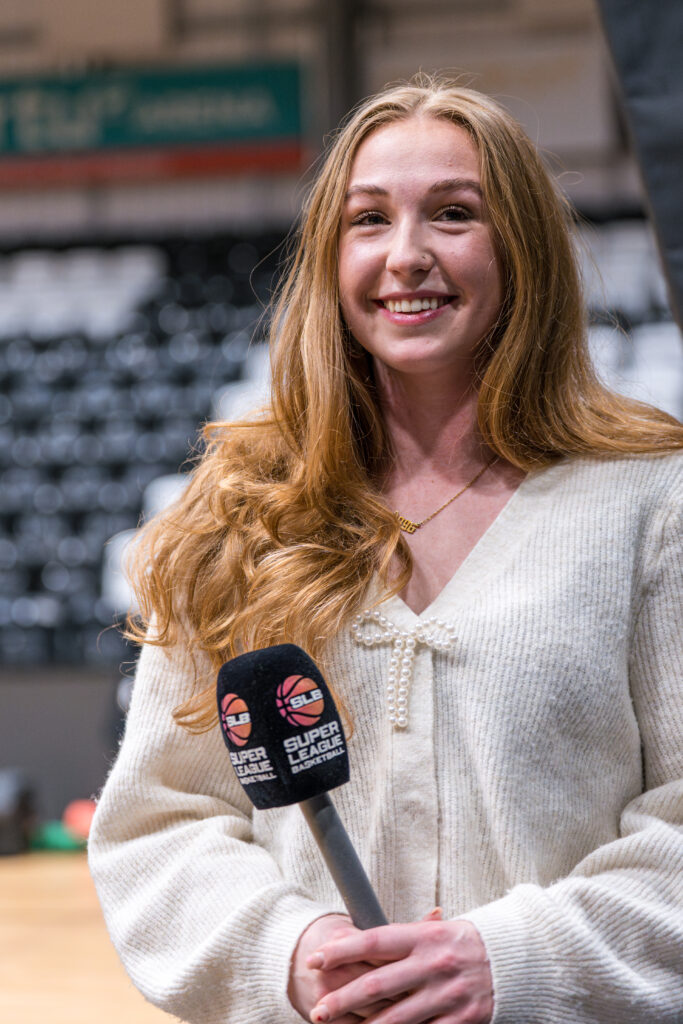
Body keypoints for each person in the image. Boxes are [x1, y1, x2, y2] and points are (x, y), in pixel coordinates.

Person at [89, 75, 683, 1024]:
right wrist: (293, 953)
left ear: (522, 247)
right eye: (368, 220)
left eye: (453, 214)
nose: (406, 255)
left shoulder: (651, 500)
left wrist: (513, 961)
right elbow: (160, 823)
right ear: (331, 259)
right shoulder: (241, 511)